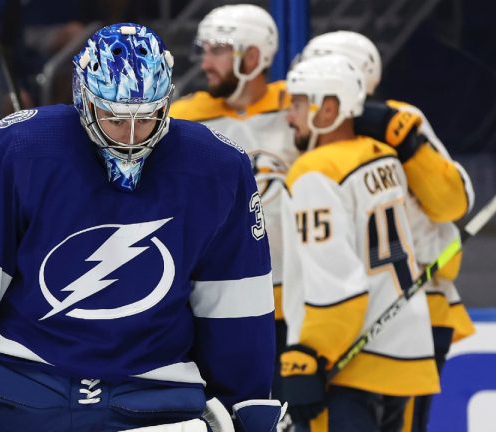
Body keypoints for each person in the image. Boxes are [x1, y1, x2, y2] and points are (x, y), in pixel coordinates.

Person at [0, 23, 278, 431]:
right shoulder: (21, 148)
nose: (132, 138)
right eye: (116, 119)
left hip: (154, 408)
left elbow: (236, 308)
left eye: (147, 118)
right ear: (84, 96)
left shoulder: (219, 169)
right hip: (18, 397)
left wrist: (247, 406)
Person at [298, 30, 476, 432]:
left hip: (414, 305)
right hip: (337, 314)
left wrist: (407, 142)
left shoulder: (400, 120)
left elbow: (453, 204)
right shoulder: (309, 130)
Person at [280, 55, 439, 431]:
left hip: (346, 366)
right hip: (406, 357)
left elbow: (337, 286)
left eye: (299, 103)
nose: (290, 116)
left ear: (329, 107)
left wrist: (309, 355)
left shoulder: (314, 172)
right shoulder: (384, 157)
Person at [168, 4, 296, 397]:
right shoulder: (182, 117)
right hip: (213, 299)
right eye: (203, 50)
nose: (205, 62)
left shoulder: (301, 108)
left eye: (217, 50)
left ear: (253, 56)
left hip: (295, 303)